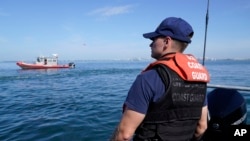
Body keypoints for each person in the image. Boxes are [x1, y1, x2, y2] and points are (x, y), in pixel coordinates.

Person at [110, 17, 210, 141]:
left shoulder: (148, 78)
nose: (150, 44)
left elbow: (124, 135)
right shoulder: (199, 79)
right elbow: (202, 127)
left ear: (166, 41)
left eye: (154, 39)